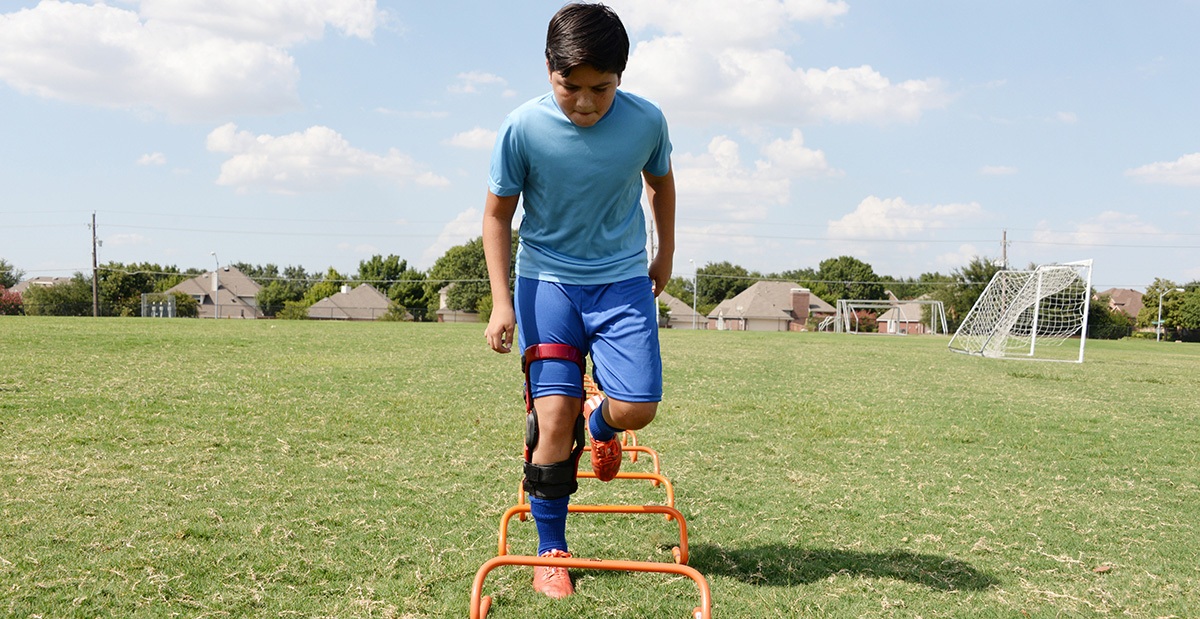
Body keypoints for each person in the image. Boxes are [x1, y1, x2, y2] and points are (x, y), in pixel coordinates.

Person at [482, 2, 675, 600]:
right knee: (552, 416)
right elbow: (496, 215)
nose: (586, 102)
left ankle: (601, 423)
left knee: (637, 407)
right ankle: (551, 550)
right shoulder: (521, 127)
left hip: (622, 281)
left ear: (621, 77)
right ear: (549, 70)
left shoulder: (646, 122)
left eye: (602, 88)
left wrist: (665, 254)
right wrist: (501, 302)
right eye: (572, 87)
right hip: (547, 283)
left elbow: (661, 182)